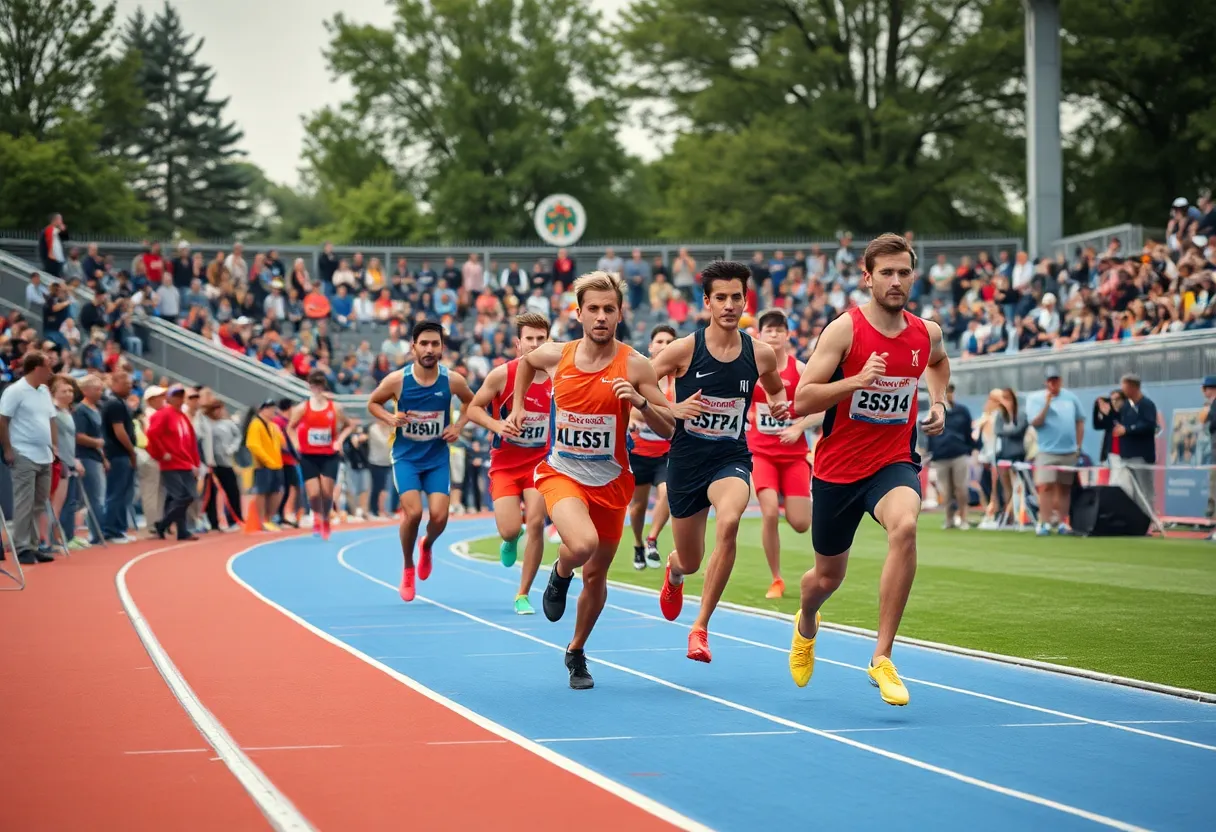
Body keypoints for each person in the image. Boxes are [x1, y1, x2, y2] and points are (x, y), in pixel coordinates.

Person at [788, 232, 949, 707]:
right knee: (825, 579)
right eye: (887, 273)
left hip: (892, 462)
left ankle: (882, 657)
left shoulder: (926, 332)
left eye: (904, 272)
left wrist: (938, 402)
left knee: (905, 526)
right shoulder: (845, 330)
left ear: (913, 276)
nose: (896, 281)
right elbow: (802, 398)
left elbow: (939, 364)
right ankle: (806, 621)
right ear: (868, 278)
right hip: (837, 471)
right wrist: (857, 381)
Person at [504, 271, 674, 689]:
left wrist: (639, 403)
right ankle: (560, 571)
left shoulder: (635, 364)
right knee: (582, 545)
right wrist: (520, 406)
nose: (600, 316)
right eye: (593, 309)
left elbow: (669, 427)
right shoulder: (555, 354)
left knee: (597, 576)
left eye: (608, 309)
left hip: (613, 482)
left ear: (619, 314)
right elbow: (526, 362)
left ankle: (576, 651)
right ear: (578, 314)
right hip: (562, 472)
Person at [650, 261, 790, 663]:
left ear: (745, 301)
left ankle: (701, 627)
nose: (729, 305)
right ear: (707, 302)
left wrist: (779, 407)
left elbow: (776, 389)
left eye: (736, 298)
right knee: (690, 561)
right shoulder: (683, 350)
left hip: (730, 458)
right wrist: (674, 408)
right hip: (687, 462)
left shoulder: (760, 354)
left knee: (729, 521)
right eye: (721, 298)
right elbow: (642, 380)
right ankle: (674, 572)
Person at [367, 320, 474, 602]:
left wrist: (459, 426)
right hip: (406, 458)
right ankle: (408, 566)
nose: (429, 349)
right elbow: (373, 403)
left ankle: (426, 545)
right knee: (413, 513)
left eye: (434, 344)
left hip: (437, 457)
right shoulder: (397, 381)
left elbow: (471, 403)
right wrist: (390, 418)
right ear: (413, 347)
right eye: (424, 344)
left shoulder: (452, 380)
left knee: (439, 517)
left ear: (442, 348)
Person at [463, 312, 554, 615]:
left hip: (540, 464)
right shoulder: (502, 374)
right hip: (505, 465)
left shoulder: (558, 377)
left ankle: (523, 593)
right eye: (530, 338)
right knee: (510, 529)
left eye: (541, 339)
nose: (535, 344)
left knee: (538, 523)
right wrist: (497, 426)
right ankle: (509, 539)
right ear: (518, 343)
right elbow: (473, 409)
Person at [745, 309, 819, 598]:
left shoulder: (800, 370)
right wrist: (748, 415)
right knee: (769, 513)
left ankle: (791, 499)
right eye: (768, 330)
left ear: (787, 335)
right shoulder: (751, 368)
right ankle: (776, 578)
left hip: (794, 454)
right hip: (761, 452)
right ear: (760, 336)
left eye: (779, 330)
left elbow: (822, 407)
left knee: (801, 524)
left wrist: (799, 427)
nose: (774, 335)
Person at [626, 324, 677, 570]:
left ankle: (651, 540)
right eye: (660, 342)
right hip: (638, 452)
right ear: (650, 346)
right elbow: (626, 408)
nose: (665, 346)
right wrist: (633, 420)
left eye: (670, 342)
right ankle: (637, 543)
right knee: (636, 508)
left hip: (666, 452)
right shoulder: (638, 373)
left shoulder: (680, 377)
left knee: (668, 493)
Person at [0, 351, 57, 564]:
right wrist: (8, 449)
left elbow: (51, 419)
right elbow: (2, 420)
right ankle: (22, 546)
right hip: (23, 452)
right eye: (48, 368)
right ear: (37, 368)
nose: (51, 372)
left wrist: (55, 446)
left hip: (45, 455)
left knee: (39, 502)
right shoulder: (15, 391)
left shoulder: (43, 391)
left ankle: (33, 545)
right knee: (24, 501)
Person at [289, 370, 354, 540]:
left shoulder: (335, 407)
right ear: (309, 386)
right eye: (313, 385)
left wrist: (339, 440)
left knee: (326, 492)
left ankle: (326, 519)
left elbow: (349, 425)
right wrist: (296, 444)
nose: (316, 389)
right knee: (314, 493)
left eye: (319, 385)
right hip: (308, 455)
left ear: (323, 386)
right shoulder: (302, 408)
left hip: (329, 455)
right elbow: (290, 427)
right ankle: (317, 517)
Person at [1024, 366, 1085, 535]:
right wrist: (1047, 404)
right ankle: (1044, 521)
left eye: (1056, 380)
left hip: (1068, 451)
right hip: (1046, 450)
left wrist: (1078, 446)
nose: (1053, 384)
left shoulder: (1070, 397)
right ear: (1046, 382)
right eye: (1050, 380)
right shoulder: (1036, 398)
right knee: (1045, 486)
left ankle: (1061, 522)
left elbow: (1080, 421)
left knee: (1064, 487)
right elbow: (1035, 422)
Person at [145, 384, 202, 541]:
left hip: (184, 463)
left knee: (187, 496)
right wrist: (162, 453)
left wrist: (195, 463)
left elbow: (191, 442)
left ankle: (171, 527)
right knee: (183, 496)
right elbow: (152, 433)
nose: (179, 399)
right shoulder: (164, 414)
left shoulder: (181, 416)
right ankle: (166, 525)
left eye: (181, 396)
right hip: (171, 463)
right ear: (169, 398)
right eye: (176, 395)